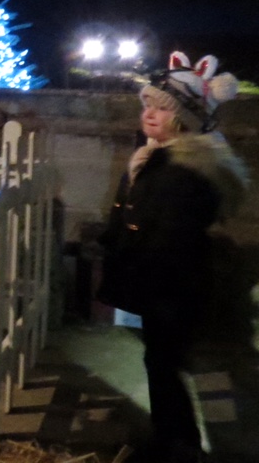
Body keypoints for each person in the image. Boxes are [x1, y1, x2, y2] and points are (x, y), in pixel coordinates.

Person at [96, 52, 248, 463]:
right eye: (147, 105)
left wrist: (132, 260)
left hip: (169, 286)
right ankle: (172, 439)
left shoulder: (185, 169)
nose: (150, 114)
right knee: (161, 362)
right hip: (160, 284)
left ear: (184, 118)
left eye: (162, 109)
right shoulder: (158, 157)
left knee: (165, 364)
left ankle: (177, 445)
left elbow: (166, 235)